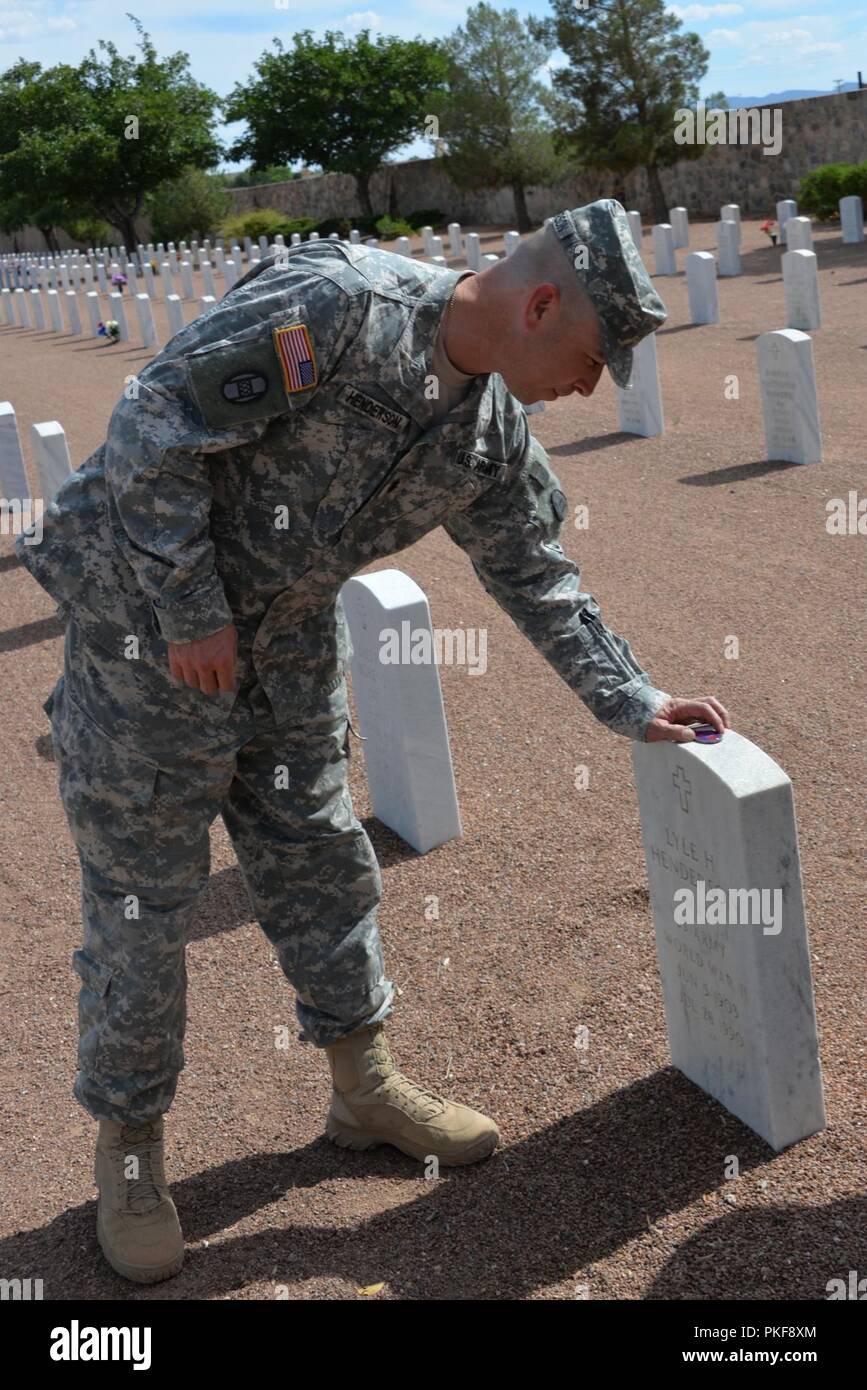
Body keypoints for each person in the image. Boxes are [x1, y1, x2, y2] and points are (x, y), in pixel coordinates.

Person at [15, 199, 730, 1285]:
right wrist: (191, 603)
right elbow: (156, 424)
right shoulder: (337, 308)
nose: (588, 389)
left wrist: (634, 699)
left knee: (320, 858)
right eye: (590, 360)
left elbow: (534, 570)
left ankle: (363, 1087)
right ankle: (130, 1148)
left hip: (290, 641)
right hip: (145, 640)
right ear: (540, 304)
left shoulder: (489, 426)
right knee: (141, 901)